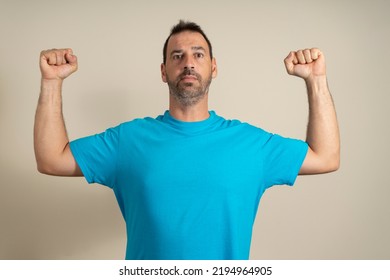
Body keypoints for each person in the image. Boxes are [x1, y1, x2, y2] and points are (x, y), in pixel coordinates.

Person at [34, 20, 340, 260]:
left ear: (213, 67)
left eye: (198, 54)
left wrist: (316, 80)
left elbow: (325, 157)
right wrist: (51, 82)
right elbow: (51, 159)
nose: (188, 63)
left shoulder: (251, 144)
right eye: (177, 56)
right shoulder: (128, 141)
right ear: (164, 71)